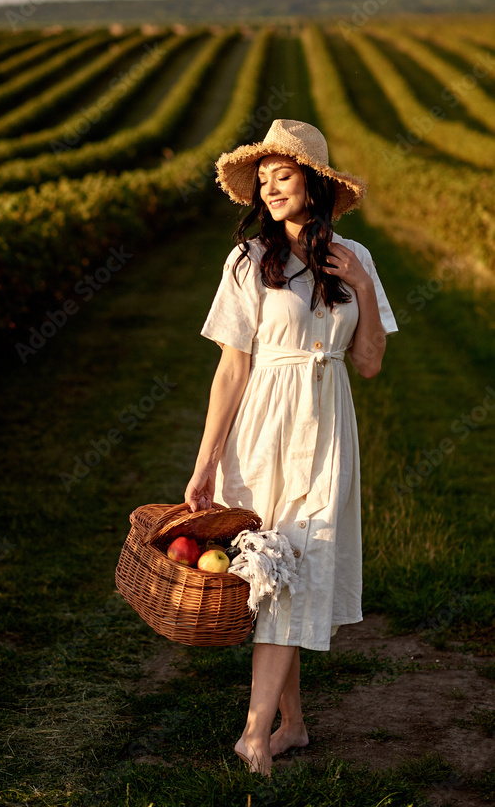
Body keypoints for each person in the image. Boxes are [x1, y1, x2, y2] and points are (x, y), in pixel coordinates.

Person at [183, 119, 398, 776]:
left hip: (328, 420)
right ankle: (293, 725)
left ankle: (256, 734)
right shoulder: (249, 261)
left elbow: (367, 365)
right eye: (265, 180)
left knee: (294, 567)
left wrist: (359, 284)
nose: (272, 189)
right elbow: (231, 370)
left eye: (286, 176)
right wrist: (205, 462)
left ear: (316, 184)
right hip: (263, 424)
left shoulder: (355, 258)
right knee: (274, 573)